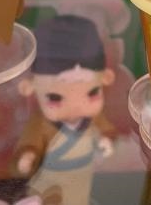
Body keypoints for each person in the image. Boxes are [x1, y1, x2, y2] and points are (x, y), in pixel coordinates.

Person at [12, 15, 117, 205]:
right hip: (50, 179)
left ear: (106, 79)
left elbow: (107, 130)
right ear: (29, 87)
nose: (76, 105)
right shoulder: (41, 123)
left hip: (83, 177)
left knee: (79, 198)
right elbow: (30, 141)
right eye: (55, 98)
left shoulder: (93, 119)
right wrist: (28, 154)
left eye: (92, 93)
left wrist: (106, 139)